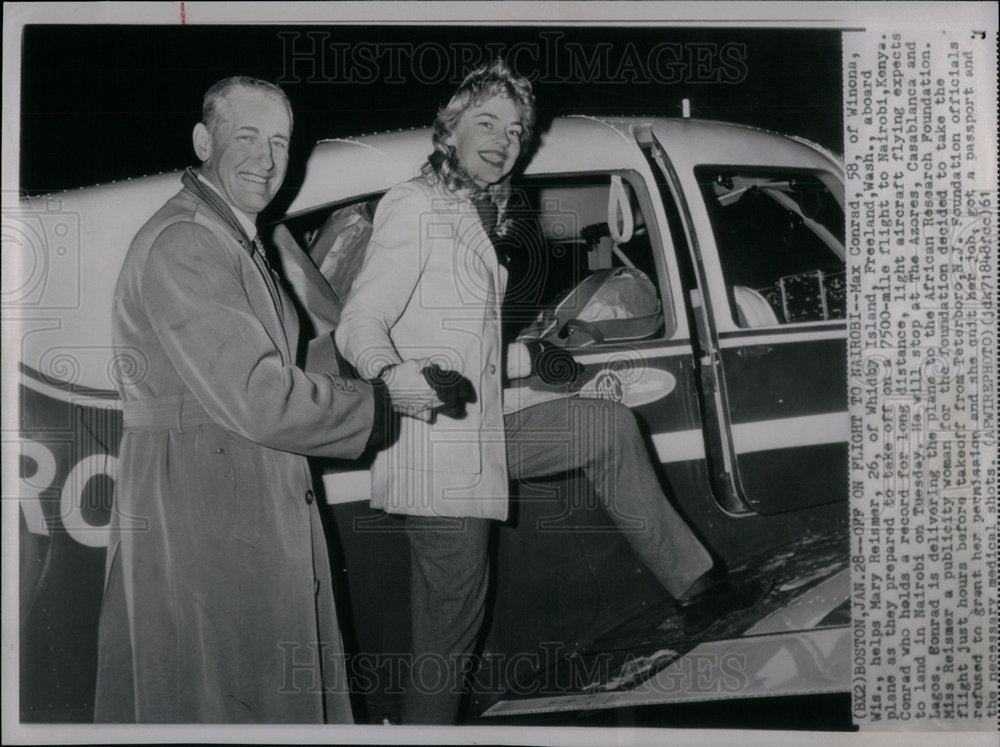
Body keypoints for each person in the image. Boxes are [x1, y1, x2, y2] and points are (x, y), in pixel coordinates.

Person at [336, 60, 768, 725]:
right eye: (487, 123)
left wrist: (528, 356)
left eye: (515, 129)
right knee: (451, 629)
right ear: (449, 126)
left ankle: (699, 587)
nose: (503, 139)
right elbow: (360, 321)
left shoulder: (480, 207)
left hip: (477, 428)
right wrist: (393, 377)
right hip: (435, 451)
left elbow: (457, 336)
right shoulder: (415, 204)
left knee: (604, 426)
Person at [94, 76, 441, 723]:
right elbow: (259, 394)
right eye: (246, 137)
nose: (266, 158)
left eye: (280, 141)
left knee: (247, 692)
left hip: (232, 490)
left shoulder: (235, 236)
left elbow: (291, 358)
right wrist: (379, 404)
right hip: (207, 505)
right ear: (204, 140)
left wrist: (393, 368)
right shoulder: (188, 241)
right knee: (229, 694)